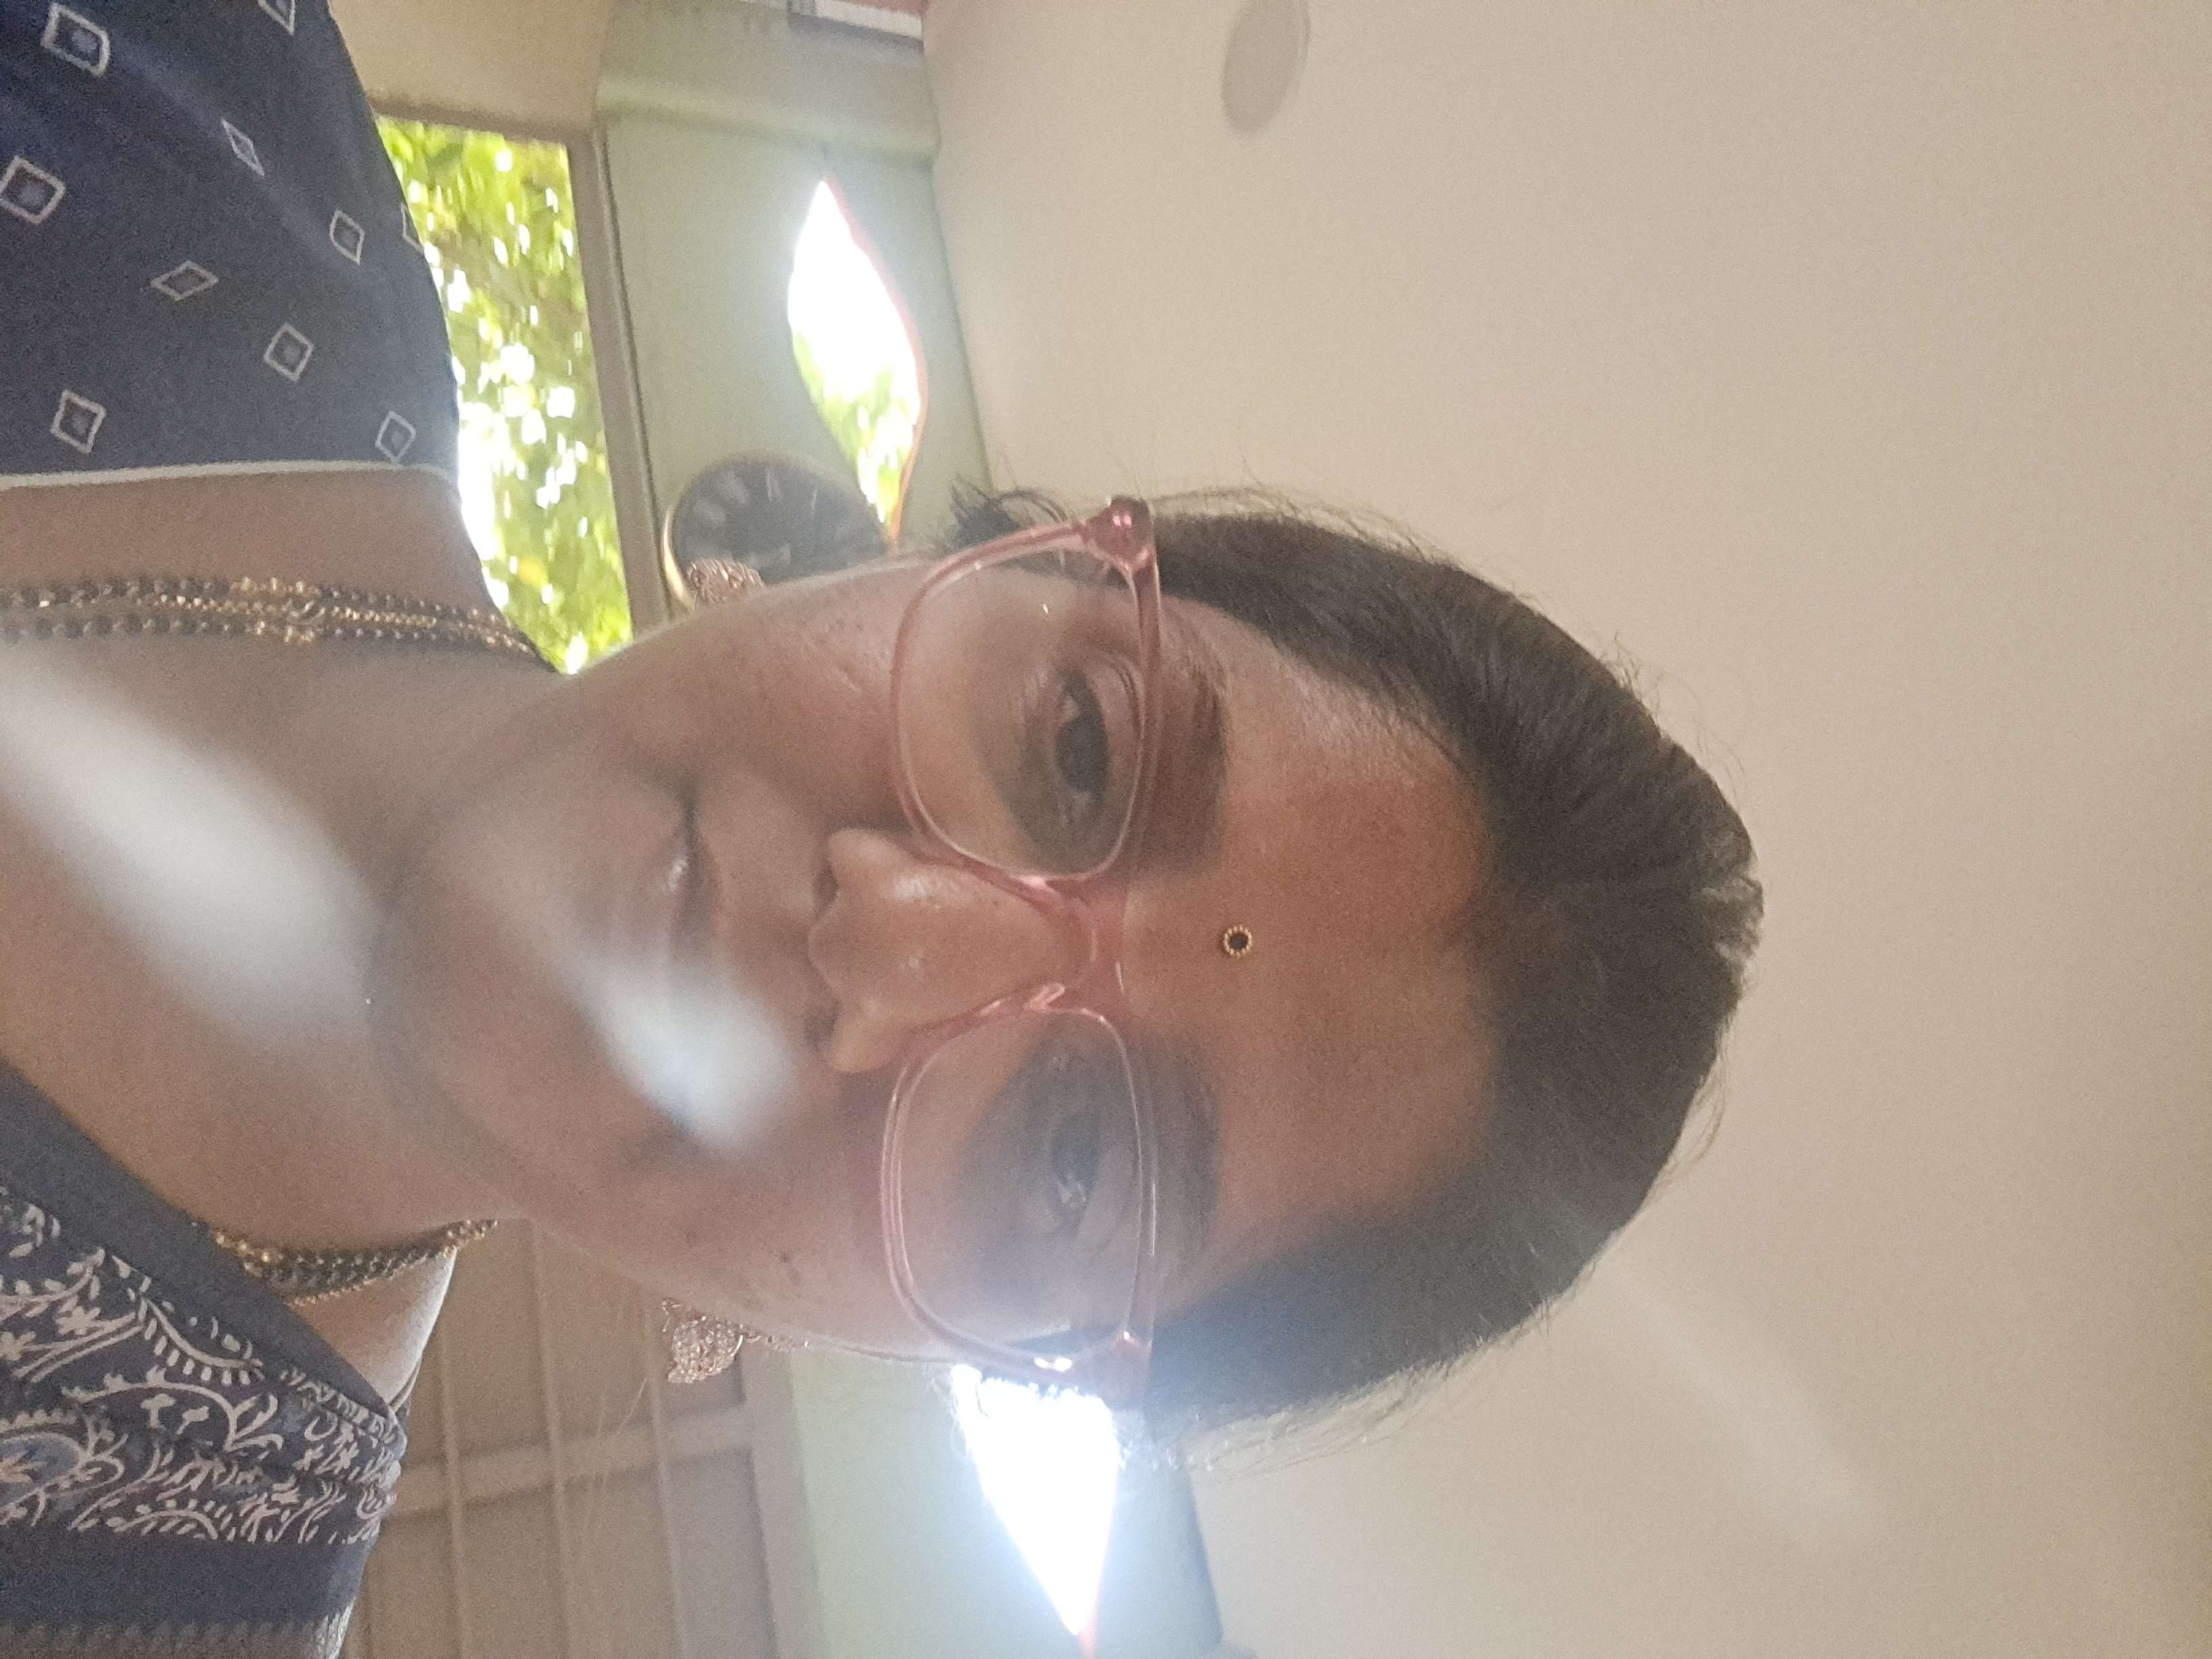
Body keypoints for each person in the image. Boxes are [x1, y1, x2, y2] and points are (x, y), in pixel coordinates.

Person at [0, 2, 1761, 1653]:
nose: (893, 940)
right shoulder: (177, 103)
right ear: (966, 552)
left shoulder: (134, 1590)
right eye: (1080, 749)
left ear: (987, 1357)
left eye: (1078, 1157)